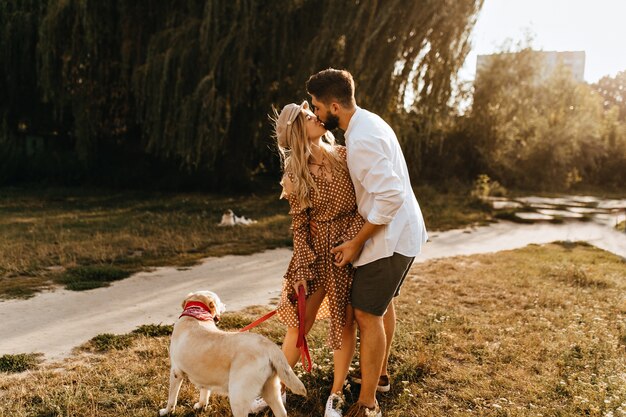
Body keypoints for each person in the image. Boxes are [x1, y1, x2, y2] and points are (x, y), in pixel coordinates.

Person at [306, 68, 428, 417]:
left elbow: (390, 197)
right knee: (382, 304)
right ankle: (381, 377)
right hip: (402, 232)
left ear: (333, 106)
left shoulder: (360, 140)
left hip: (390, 236)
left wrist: (357, 242)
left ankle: (368, 402)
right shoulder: (368, 122)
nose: (315, 114)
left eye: (316, 107)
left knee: (365, 312)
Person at [251, 100, 365, 417]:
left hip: (346, 251)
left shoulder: (343, 155)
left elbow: (362, 205)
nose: (317, 116)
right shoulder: (294, 172)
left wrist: (351, 241)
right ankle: (278, 391)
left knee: (345, 324)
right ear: (299, 128)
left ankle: (337, 394)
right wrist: (302, 266)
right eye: (307, 115)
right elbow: (299, 225)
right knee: (299, 327)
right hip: (314, 254)